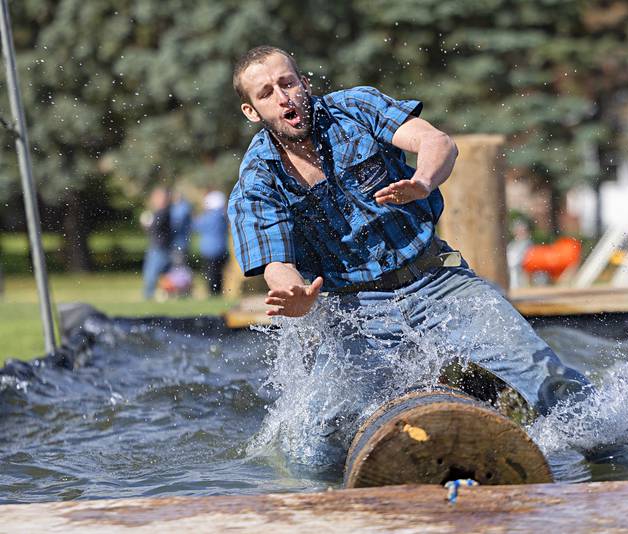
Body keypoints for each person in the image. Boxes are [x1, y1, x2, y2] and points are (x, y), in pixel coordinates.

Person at [227, 46, 591, 462]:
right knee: (316, 442)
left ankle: (617, 454)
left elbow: (436, 142)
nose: (283, 97)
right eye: (267, 93)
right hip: (354, 313)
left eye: (288, 83)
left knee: (545, 375)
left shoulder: (355, 108)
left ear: (304, 82)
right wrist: (296, 295)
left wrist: (423, 180)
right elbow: (277, 262)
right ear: (252, 111)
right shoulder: (257, 179)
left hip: (437, 280)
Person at [194, 190, 229, 296]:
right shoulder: (223, 216)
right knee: (218, 274)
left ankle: (213, 293)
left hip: (209, 250)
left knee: (211, 274)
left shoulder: (209, 217)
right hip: (221, 249)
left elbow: (196, 226)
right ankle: (217, 293)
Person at [141, 187, 172, 300]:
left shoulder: (163, 212)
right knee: (162, 273)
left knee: (151, 273)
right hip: (159, 247)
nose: (154, 200)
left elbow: (154, 227)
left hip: (159, 248)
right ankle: (164, 295)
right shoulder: (162, 212)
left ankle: (148, 296)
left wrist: (146, 223)